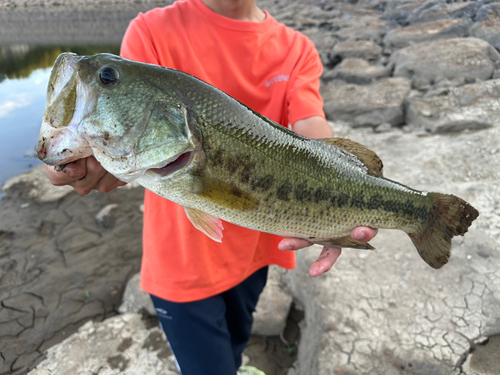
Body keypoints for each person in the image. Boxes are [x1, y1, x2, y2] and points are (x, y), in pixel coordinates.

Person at [45, 0, 377, 373]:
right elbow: (128, 126)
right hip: (180, 265)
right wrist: (85, 158)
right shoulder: (151, 30)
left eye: (107, 77)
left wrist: (351, 190)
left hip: (255, 252)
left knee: (236, 343)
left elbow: (310, 127)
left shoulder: (296, 48)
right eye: (107, 78)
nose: (103, 80)